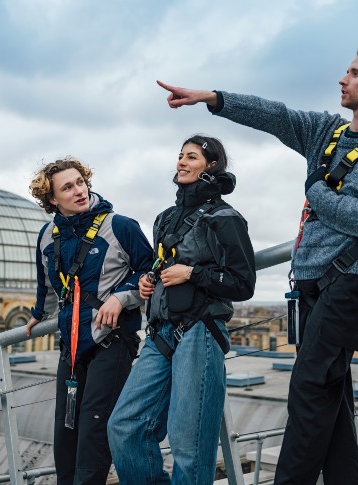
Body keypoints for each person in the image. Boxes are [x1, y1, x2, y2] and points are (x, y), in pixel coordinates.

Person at [157, 43, 358, 484]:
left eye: (355, 73)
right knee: (331, 394)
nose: (342, 80)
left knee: (308, 388)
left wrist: (318, 191)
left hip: (348, 281)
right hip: (308, 283)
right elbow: (275, 114)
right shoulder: (327, 132)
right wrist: (212, 98)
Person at [107, 135, 256, 484]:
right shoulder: (165, 218)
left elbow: (243, 283)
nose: (182, 162)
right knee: (125, 426)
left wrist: (192, 273)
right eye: (180, 156)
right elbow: (165, 267)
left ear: (212, 165)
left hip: (200, 333)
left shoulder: (225, 218)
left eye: (192, 156)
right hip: (160, 334)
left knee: (188, 443)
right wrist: (150, 281)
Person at [26, 158, 153, 485]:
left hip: (111, 341)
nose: (79, 190)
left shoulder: (120, 226)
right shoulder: (47, 235)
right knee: (65, 431)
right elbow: (47, 284)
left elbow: (151, 272)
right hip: (70, 346)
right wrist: (37, 315)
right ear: (53, 200)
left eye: (80, 182)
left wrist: (120, 297)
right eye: (68, 187)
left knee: (94, 432)